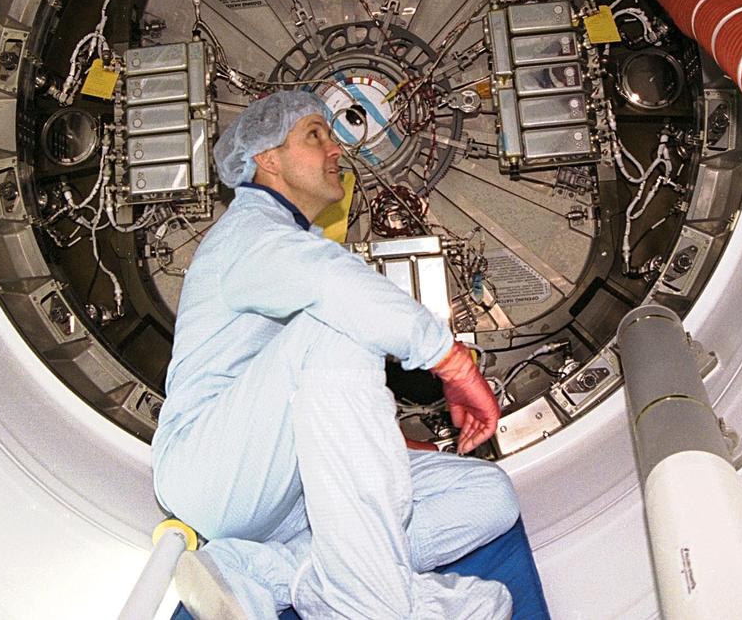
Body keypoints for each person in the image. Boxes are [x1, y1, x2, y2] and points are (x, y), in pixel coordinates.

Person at [152, 90, 518, 619]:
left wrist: (386, 446)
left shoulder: (283, 240)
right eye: (315, 135)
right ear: (267, 160)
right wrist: (453, 364)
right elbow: (337, 288)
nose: (337, 149)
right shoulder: (247, 234)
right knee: (341, 327)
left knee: (489, 497)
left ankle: (261, 571)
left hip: (287, 491)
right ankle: (371, 603)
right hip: (212, 473)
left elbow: (312, 398)